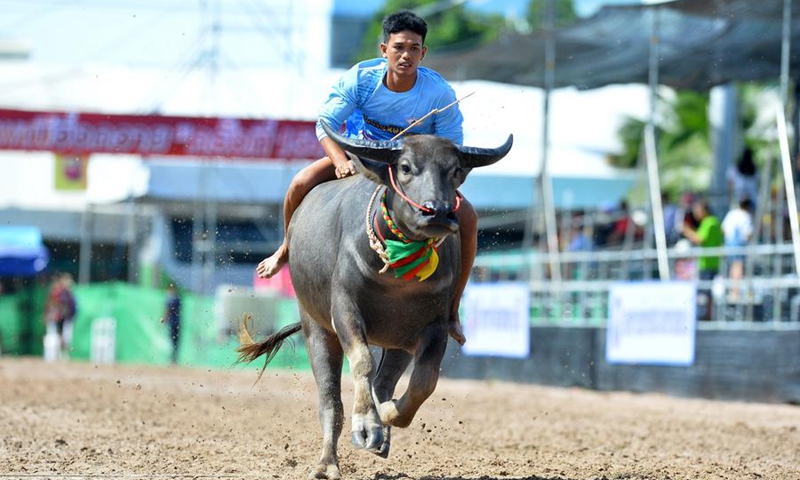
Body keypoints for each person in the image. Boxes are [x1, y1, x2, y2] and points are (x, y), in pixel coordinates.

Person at [256, 11, 472, 344]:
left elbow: (452, 149)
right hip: (361, 159)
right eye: (399, 47)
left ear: (423, 53)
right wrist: (340, 161)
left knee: (468, 217)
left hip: (414, 172)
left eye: (415, 48)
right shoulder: (360, 79)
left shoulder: (438, 94)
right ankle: (286, 247)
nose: (406, 55)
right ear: (384, 48)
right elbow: (325, 126)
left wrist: (442, 180)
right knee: (300, 182)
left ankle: (452, 310)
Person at [682, 199, 723, 320]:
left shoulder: (708, 222)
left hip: (707, 263)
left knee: (706, 292)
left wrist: (685, 230)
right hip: (713, 261)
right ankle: (708, 315)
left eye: (697, 211)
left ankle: (707, 316)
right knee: (708, 292)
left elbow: (699, 239)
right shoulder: (715, 221)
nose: (695, 214)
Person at [721, 198, 754, 301]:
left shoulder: (732, 213)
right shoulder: (746, 216)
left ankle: (732, 292)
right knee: (737, 267)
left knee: (731, 267)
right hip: (738, 244)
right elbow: (747, 233)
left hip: (728, 243)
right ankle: (735, 293)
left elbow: (723, 229)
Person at [44, 273, 77, 358]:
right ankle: (55, 355)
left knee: (64, 338)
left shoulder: (68, 293)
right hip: (60, 318)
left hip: (65, 318)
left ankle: (61, 355)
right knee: (57, 337)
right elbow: (52, 306)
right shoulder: (60, 293)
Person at [161, 284, 182, 364]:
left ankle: (173, 359)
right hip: (178, 322)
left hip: (172, 323)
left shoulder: (171, 299)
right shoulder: (178, 298)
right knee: (176, 341)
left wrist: (164, 318)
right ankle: (174, 359)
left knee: (173, 340)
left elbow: (168, 309)